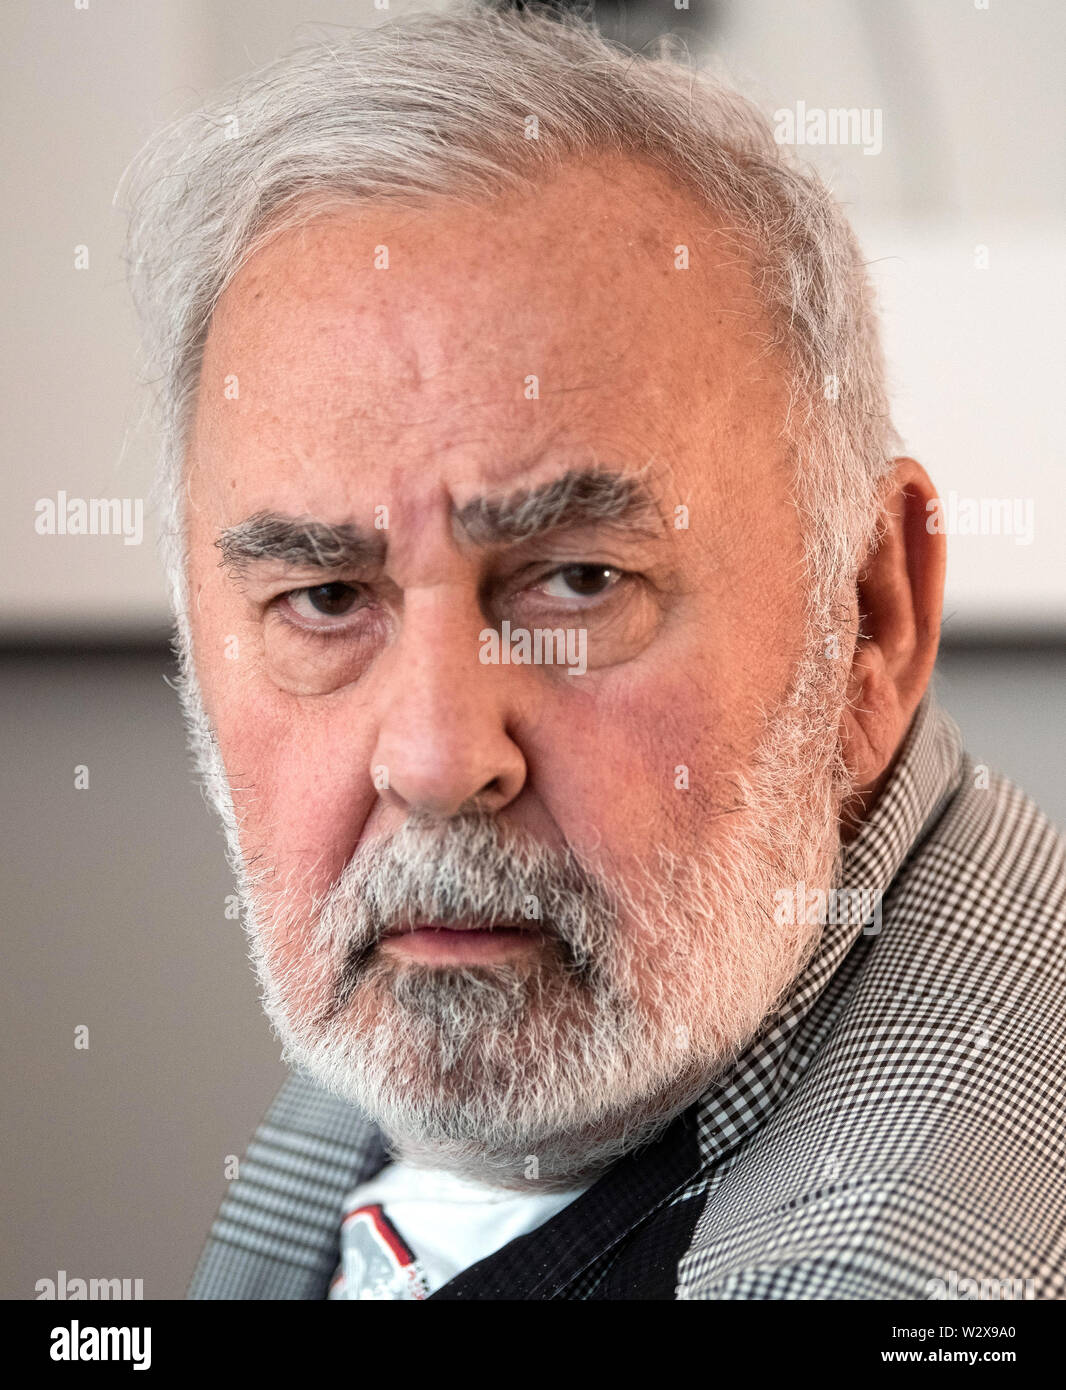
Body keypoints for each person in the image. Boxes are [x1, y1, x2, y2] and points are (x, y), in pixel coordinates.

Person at [121, 4, 1066, 1300]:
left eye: (576, 581)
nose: (440, 758)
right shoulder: (569, 1017)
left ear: (870, 615)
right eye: (328, 595)